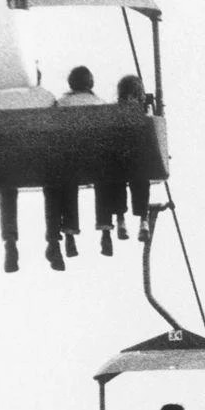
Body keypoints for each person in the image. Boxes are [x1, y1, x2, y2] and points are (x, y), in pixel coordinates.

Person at [0, 84, 57, 273]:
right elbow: (58, 122)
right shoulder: (45, 95)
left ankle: (10, 240)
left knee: (7, 191)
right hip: (40, 162)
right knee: (52, 187)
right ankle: (54, 240)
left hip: (10, 163)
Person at [48, 65, 106, 267]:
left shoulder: (61, 104)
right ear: (90, 83)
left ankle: (68, 232)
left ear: (71, 83)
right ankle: (106, 228)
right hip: (94, 162)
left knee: (64, 186)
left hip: (67, 162)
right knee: (104, 180)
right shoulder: (100, 104)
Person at [95, 74, 152, 255]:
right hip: (137, 161)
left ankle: (120, 220)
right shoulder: (143, 109)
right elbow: (150, 126)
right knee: (141, 182)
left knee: (117, 182)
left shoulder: (114, 110)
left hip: (117, 160)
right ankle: (143, 220)